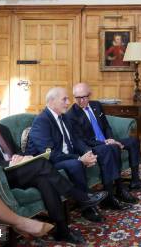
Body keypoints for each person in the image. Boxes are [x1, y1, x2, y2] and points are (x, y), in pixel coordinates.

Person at [0, 93, 106, 244]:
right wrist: (9, 163)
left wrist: (22, 157)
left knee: (45, 180)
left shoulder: (3, 129)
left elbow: (17, 151)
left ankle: (62, 230)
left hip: (18, 172)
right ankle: (80, 196)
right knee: (41, 164)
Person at [26, 87, 105, 223]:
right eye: (64, 99)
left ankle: (99, 197)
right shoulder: (42, 120)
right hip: (47, 162)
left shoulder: (64, 117)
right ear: (51, 101)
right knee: (76, 164)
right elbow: (50, 153)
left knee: (99, 152)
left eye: (68, 99)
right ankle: (87, 206)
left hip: (65, 155)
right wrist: (80, 159)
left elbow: (75, 140)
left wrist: (87, 152)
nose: (68, 102)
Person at [67, 83, 141, 195]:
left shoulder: (96, 105)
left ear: (89, 95)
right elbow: (82, 140)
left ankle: (135, 181)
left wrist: (110, 138)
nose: (81, 101)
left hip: (107, 140)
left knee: (133, 141)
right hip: (94, 145)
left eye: (84, 97)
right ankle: (118, 188)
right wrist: (106, 142)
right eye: (77, 98)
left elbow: (106, 126)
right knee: (113, 147)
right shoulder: (71, 115)